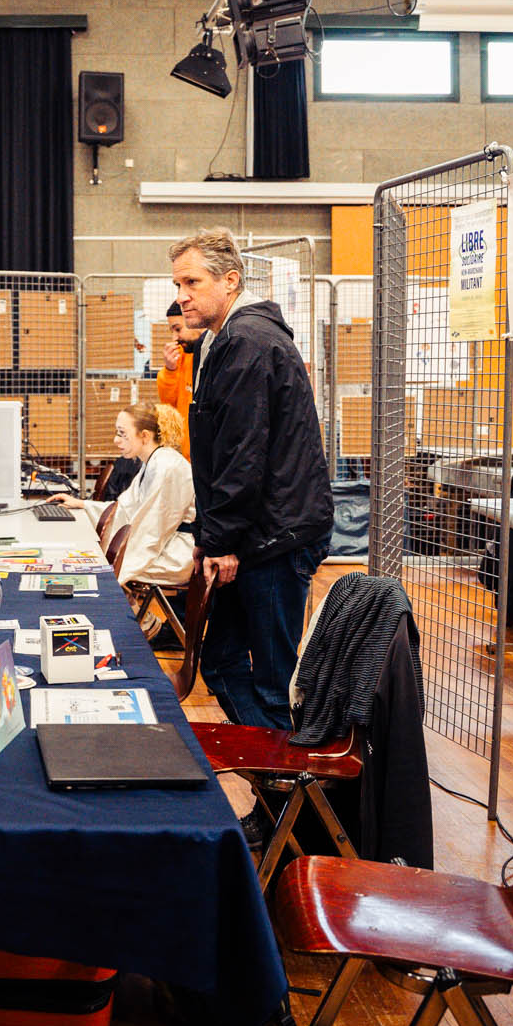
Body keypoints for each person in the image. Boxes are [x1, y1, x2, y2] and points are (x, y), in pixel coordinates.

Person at [172, 227, 332, 732]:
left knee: (272, 682)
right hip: (259, 533)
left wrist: (220, 541)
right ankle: (271, 770)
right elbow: (225, 450)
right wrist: (211, 536)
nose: (182, 296)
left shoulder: (248, 342)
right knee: (221, 661)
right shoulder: (226, 340)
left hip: (275, 537)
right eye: (178, 284)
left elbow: (242, 454)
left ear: (231, 280)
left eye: (193, 282)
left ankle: (289, 776)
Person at [55, 403, 196, 588]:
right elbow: (125, 509)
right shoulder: (153, 462)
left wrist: (114, 562)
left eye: (122, 434)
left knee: (97, 566)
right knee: (94, 559)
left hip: (175, 555)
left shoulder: (166, 467)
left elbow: (151, 532)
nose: (116, 440)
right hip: (161, 545)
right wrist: (83, 505)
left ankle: (114, 600)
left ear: (144, 436)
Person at [155, 301, 202, 414]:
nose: (174, 338)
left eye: (178, 329)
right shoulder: (181, 355)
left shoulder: (220, 352)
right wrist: (170, 370)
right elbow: (168, 405)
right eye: (172, 331)